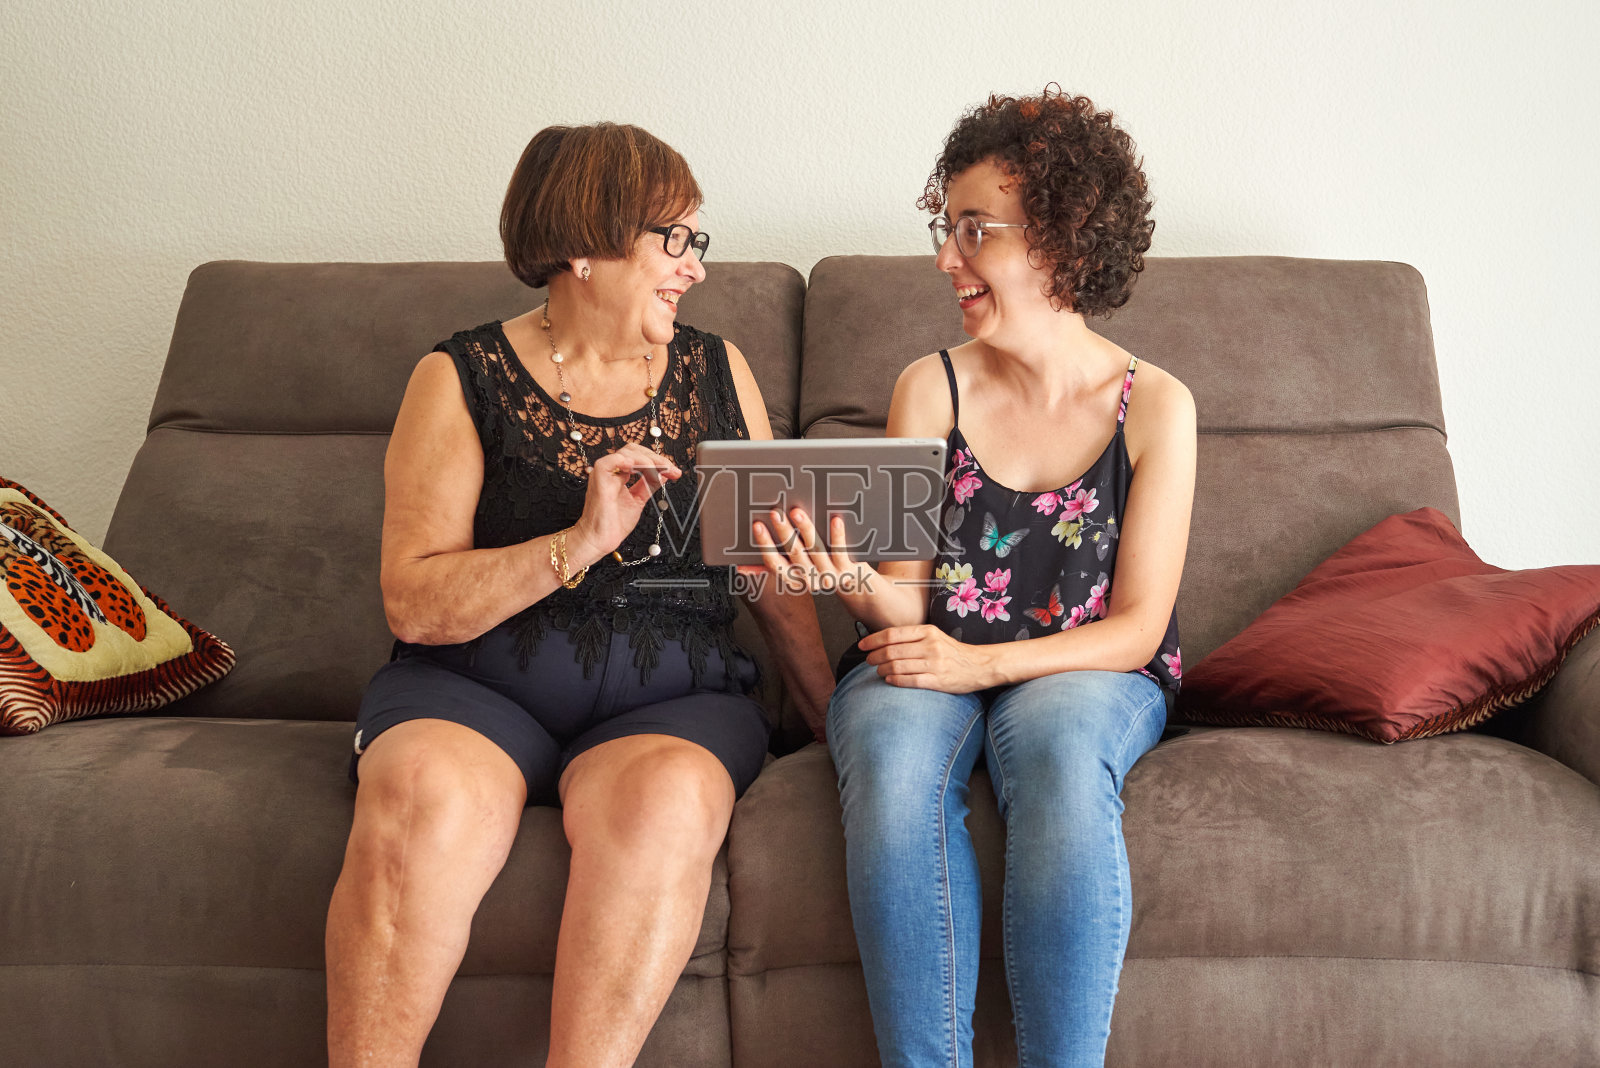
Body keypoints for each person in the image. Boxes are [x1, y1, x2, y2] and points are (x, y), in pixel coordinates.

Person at [324, 122, 834, 1067]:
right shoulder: (458, 377)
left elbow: (769, 577)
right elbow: (414, 602)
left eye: (697, 241)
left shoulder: (718, 374)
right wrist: (578, 542)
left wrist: (835, 724)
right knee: (424, 795)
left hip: (674, 699)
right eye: (672, 240)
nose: (695, 268)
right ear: (586, 248)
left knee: (672, 800)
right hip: (473, 692)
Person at [754, 88, 1195, 1067]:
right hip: (925, 651)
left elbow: (1135, 627)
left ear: (1059, 239)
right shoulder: (930, 385)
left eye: (973, 231)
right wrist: (842, 577)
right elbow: (903, 601)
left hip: (1088, 666)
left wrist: (980, 667)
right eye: (942, 228)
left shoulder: (1156, 408)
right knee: (890, 755)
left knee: (1064, 751)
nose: (945, 257)